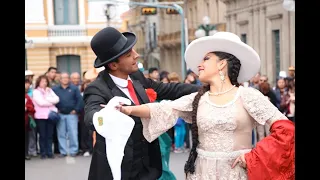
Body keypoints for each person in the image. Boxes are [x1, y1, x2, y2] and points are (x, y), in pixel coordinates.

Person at [112, 32, 295, 179]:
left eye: (206, 58)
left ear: (222, 64)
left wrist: (254, 157)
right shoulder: (199, 98)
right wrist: (127, 109)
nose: (200, 64)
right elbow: (162, 109)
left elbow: (287, 130)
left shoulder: (248, 96)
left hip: (235, 172)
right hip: (201, 172)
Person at [83, 27, 199, 180]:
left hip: (148, 168)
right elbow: (92, 115)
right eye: (129, 54)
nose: (136, 56)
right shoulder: (97, 88)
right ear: (114, 65)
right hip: (118, 170)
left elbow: (169, 89)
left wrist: (206, 88)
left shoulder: (137, 76)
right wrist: (103, 116)